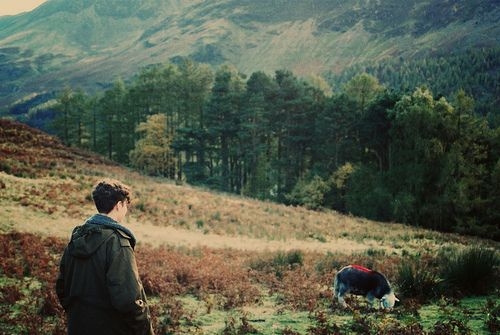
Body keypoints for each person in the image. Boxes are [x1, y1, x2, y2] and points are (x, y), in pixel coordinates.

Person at [56, 179, 154, 335]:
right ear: (119, 205)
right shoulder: (117, 241)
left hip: (78, 327)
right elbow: (128, 300)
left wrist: (79, 316)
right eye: (126, 205)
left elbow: (62, 286)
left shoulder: (77, 238)